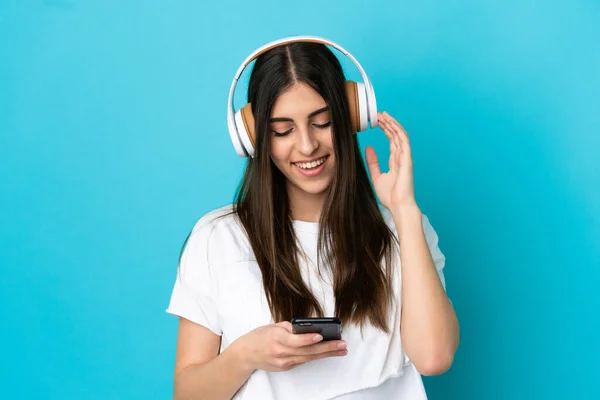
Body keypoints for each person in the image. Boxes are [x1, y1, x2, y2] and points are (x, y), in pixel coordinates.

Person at [166, 37, 459, 400]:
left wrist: (405, 211)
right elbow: (187, 394)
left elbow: (434, 357)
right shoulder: (218, 239)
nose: (306, 146)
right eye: (282, 131)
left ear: (351, 117)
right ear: (255, 137)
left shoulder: (403, 229)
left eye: (322, 123)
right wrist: (246, 355)